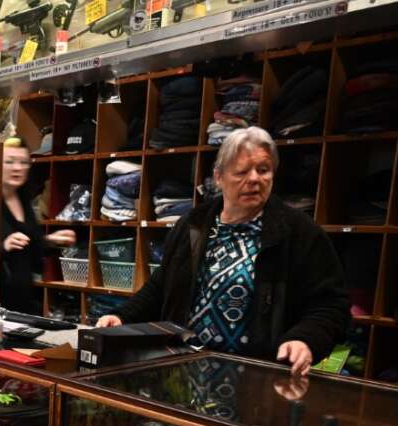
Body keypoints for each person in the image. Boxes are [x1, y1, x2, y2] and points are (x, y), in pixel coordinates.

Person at [97, 127, 349, 376]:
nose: (254, 179)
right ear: (218, 177)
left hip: (258, 379)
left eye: (263, 170)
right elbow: (161, 286)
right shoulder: (193, 224)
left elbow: (330, 304)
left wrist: (305, 339)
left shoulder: (299, 232)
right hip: (184, 373)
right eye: (242, 171)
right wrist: (122, 316)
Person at [0, 137, 76, 313]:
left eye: (23, 162)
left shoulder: (24, 200)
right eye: (10, 161)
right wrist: (2, 246)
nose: (17, 168)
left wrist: (51, 240)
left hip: (23, 300)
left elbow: (32, 250)